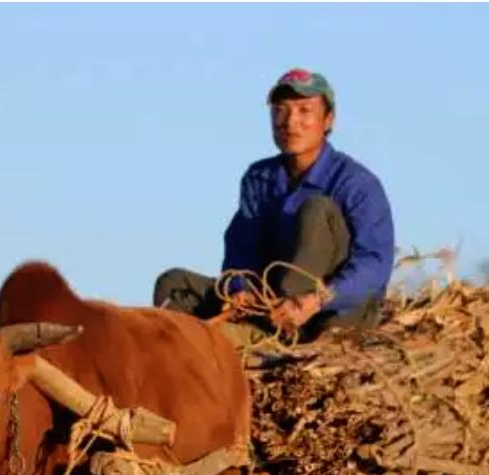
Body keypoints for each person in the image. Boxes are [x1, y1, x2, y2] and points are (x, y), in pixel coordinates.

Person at [154, 68, 395, 341]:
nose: (290, 122)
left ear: (328, 120)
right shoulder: (259, 178)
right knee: (173, 284)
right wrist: (240, 288)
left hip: (331, 312)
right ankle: (243, 341)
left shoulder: (357, 183)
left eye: (305, 111)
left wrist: (315, 300)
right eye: (280, 111)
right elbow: (241, 246)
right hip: (269, 307)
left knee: (317, 210)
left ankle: (275, 337)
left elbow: (374, 265)